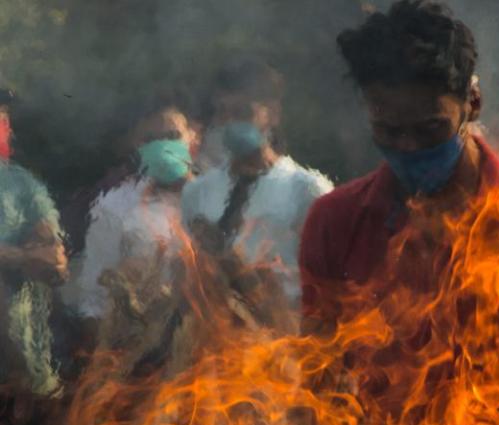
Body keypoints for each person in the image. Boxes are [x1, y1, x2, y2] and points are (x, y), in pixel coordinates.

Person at [299, 1, 499, 425]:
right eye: (389, 131)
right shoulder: (335, 221)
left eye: (430, 130)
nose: (408, 147)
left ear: (472, 103)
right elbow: (318, 376)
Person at [181, 58, 332, 314]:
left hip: (283, 337)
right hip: (215, 337)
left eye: (242, 113)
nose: (229, 123)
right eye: (222, 112)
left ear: (272, 114)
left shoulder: (307, 190)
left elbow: (326, 282)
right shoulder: (197, 192)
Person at [65, 105, 198, 322]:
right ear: (135, 147)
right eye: (150, 140)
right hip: (140, 332)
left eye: (173, 136)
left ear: (193, 138)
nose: (162, 147)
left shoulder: (217, 196)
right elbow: (94, 296)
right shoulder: (113, 205)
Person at [0, 85, 68, 395]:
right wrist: (22, 256)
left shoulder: (20, 183)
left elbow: (52, 251)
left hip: (23, 350)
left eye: (2, 116)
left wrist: (45, 255)